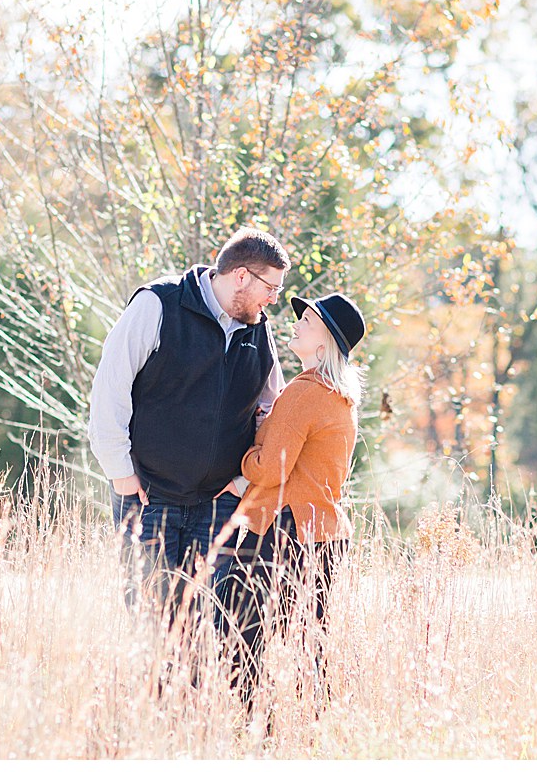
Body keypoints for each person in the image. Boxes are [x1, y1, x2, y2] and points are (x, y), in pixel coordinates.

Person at [88, 227, 291, 618]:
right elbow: (110, 387)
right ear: (242, 276)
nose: (273, 299)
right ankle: (152, 684)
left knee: (200, 630)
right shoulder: (159, 304)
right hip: (148, 497)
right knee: (149, 621)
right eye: (272, 288)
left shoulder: (259, 330)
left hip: (217, 506)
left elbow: (274, 411)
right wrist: (121, 473)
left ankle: (192, 685)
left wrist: (245, 482)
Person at [220, 290, 367, 713]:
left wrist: (246, 461)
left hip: (282, 531)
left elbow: (272, 468)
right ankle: (312, 730)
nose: (298, 322)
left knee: (244, 639)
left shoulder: (304, 392)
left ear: (324, 345)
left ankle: (250, 730)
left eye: (309, 321)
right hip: (322, 533)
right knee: (309, 643)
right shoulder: (338, 396)